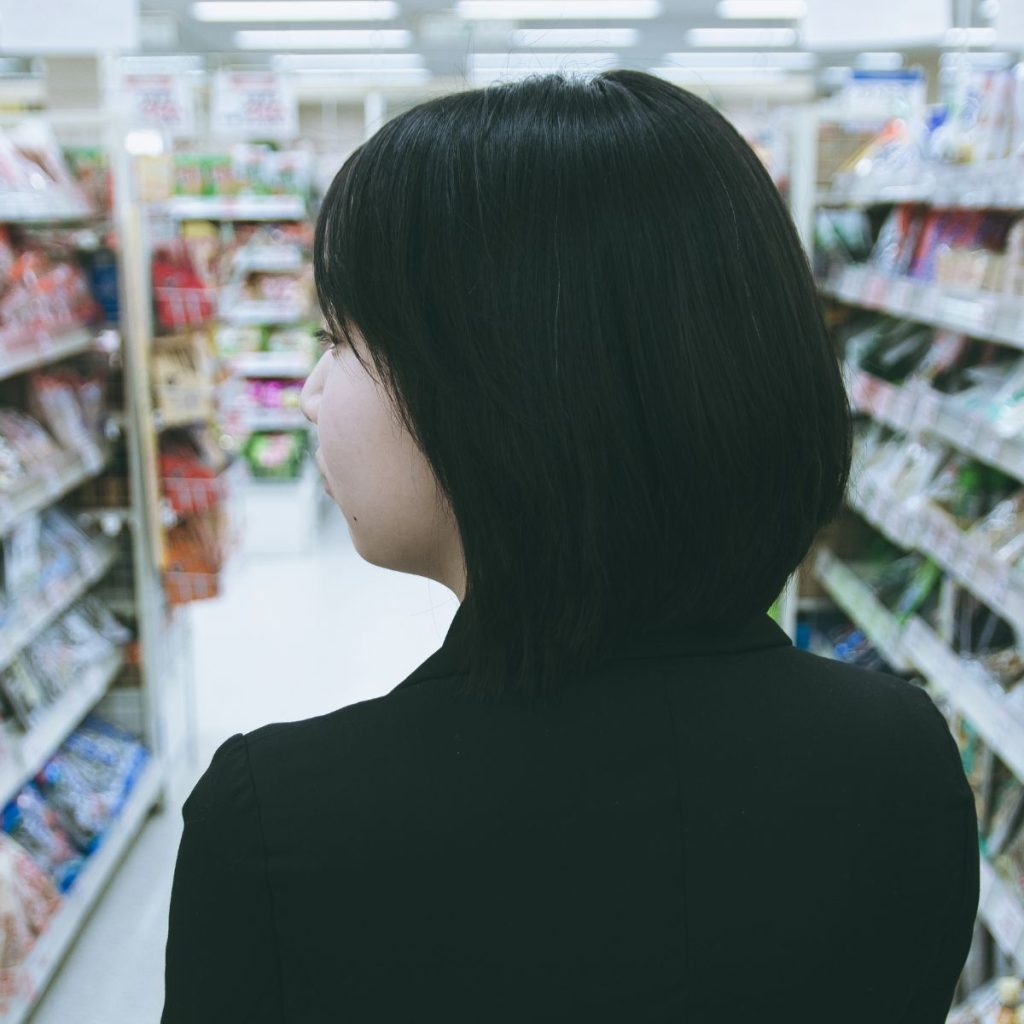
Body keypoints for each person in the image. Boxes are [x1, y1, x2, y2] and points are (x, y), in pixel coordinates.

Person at [161, 70, 978, 1022]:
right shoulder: (902, 761)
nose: (306, 391)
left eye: (339, 339)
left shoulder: (280, 827)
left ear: (494, 392)